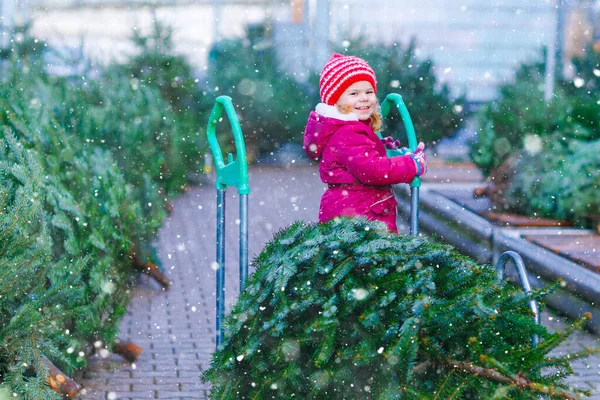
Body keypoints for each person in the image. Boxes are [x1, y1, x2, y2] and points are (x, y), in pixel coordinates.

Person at [303, 53, 427, 233]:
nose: (364, 98)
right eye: (354, 93)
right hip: (360, 221)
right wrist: (413, 164)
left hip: (358, 214)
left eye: (369, 92)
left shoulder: (352, 129)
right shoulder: (348, 133)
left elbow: (367, 158)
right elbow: (375, 170)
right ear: (335, 101)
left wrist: (391, 153)